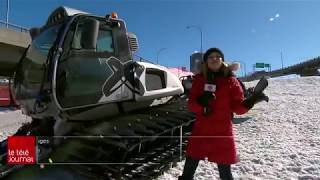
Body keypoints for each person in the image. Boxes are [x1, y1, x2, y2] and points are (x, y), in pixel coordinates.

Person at [179, 48, 268, 180]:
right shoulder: (199, 79)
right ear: (205, 62)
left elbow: (238, 108)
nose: (214, 59)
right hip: (201, 131)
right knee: (188, 172)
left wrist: (251, 100)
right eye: (210, 57)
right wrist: (202, 102)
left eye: (218, 56)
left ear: (222, 61)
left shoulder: (231, 80)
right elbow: (191, 104)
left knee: (226, 175)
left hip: (223, 133)